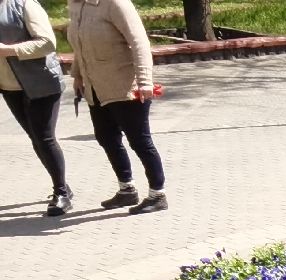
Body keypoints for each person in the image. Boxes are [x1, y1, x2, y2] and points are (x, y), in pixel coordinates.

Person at [68, 0, 167, 214]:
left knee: (140, 141)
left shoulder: (115, 3)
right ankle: (127, 190)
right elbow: (79, 45)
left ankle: (158, 194)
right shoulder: (76, 5)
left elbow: (139, 42)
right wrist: (77, 75)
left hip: (125, 86)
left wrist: (145, 80)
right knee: (106, 137)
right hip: (96, 87)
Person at [0, 0, 71, 216]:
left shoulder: (23, 4)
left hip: (41, 83)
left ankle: (62, 194)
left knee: (44, 138)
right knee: (36, 138)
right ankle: (63, 186)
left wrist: (8, 50)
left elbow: (47, 43)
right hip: (9, 86)